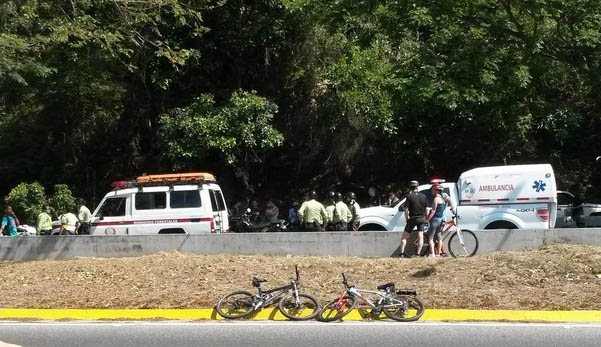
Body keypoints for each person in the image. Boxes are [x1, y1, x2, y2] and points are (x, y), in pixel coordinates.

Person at [399, 181, 428, 258]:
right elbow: (427, 209)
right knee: (421, 236)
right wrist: (426, 218)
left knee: (404, 237)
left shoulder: (409, 196)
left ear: (410, 188)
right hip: (422, 218)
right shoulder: (423, 196)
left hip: (412, 218)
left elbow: (406, 209)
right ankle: (417, 254)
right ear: (417, 187)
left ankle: (401, 254)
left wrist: (407, 218)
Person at [426, 184, 446, 258]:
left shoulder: (436, 199)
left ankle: (432, 254)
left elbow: (433, 211)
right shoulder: (442, 199)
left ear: (436, 190)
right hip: (441, 219)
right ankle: (438, 254)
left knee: (430, 238)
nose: (431, 192)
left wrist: (427, 220)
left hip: (435, 220)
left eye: (432, 190)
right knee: (439, 237)